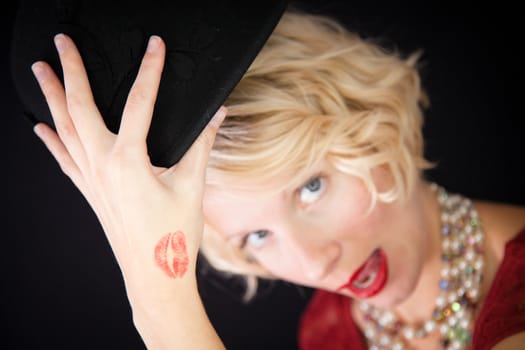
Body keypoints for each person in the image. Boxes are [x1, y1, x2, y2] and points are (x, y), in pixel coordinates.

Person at [28, 8, 524, 350]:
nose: (314, 264)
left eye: (311, 187)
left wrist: (159, 299)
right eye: (257, 236)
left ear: (368, 121)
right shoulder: (327, 332)